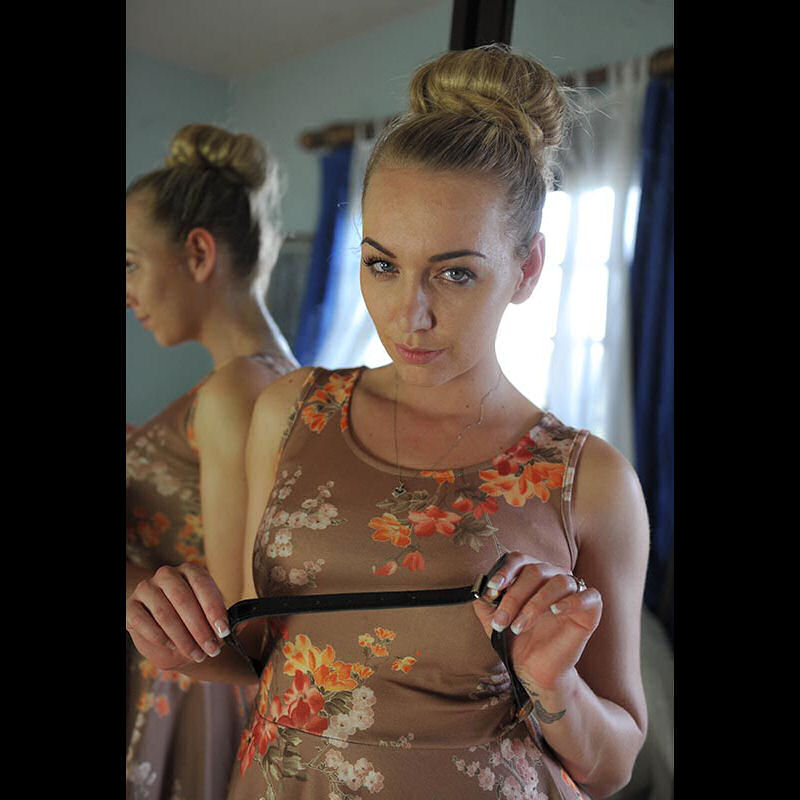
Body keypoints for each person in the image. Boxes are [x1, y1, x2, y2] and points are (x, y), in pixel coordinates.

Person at [126, 45, 650, 800]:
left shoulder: (590, 479)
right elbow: (252, 651)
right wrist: (179, 641)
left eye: (455, 272)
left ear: (528, 269)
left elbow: (612, 767)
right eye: (382, 265)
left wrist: (554, 682)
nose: (411, 314)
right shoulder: (288, 413)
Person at [125, 123, 298, 799]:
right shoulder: (275, 378)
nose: (127, 291)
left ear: (198, 252)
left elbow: (230, 630)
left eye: (130, 264)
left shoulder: (234, 391)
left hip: (191, 701)